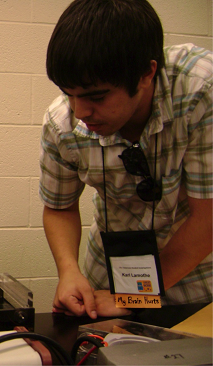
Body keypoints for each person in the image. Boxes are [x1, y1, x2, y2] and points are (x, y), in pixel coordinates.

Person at [40, 0, 212, 319]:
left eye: (96, 96)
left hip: (197, 282)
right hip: (110, 281)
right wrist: (68, 271)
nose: (80, 112)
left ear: (147, 73)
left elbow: (209, 219)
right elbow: (59, 207)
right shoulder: (60, 123)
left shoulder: (202, 91)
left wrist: (134, 297)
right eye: (69, 93)